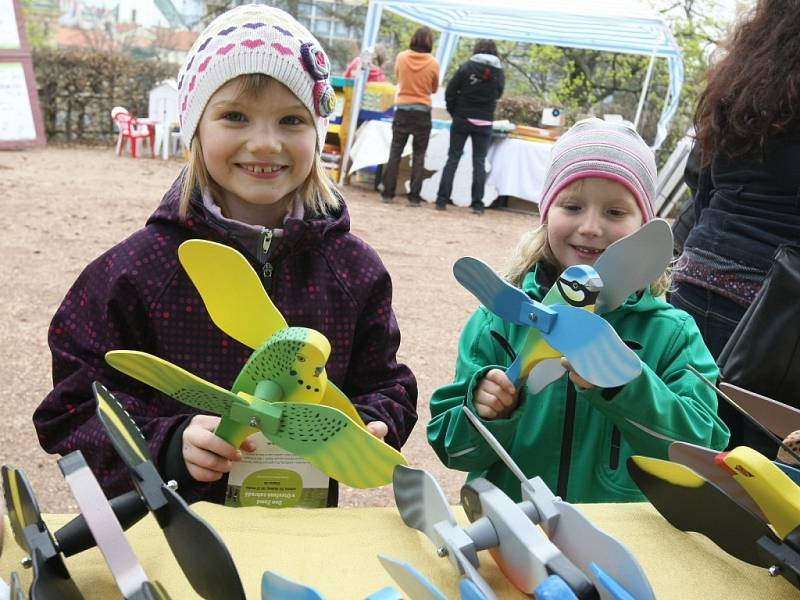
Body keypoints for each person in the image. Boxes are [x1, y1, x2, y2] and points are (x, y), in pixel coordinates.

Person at [33, 5, 418, 506]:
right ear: (195, 128)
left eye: (292, 119)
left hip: (300, 533)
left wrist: (374, 421)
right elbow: (72, 410)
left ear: (318, 134)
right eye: (235, 116)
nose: (265, 143)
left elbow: (385, 381)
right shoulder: (136, 271)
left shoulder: (354, 270)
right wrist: (165, 444)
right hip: (175, 533)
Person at [427, 118, 729, 503]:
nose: (590, 227)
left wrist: (623, 383)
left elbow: (700, 451)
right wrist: (485, 410)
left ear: (644, 226)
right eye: (572, 206)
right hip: (514, 535)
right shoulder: (497, 321)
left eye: (615, 213)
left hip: (624, 544)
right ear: (546, 212)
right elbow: (454, 450)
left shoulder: (672, 333)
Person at [669, 0, 800, 453]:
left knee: (676, 447)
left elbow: (700, 186)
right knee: (754, 476)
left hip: (691, 281)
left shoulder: (745, 75)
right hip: (777, 317)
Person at [436, 39, 504, 215]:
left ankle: (442, 200)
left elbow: (450, 92)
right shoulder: (499, 72)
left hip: (462, 119)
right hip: (484, 121)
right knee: (479, 162)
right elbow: (498, 94)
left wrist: (455, 112)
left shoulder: (466, 67)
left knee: (453, 158)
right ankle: (478, 204)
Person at [380, 26, 440, 206]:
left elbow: (399, 79)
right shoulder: (433, 62)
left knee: (395, 152)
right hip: (422, 112)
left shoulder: (401, 57)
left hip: (403, 110)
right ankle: (414, 197)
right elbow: (434, 88)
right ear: (430, 42)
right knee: (419, 154)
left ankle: (387, 194)